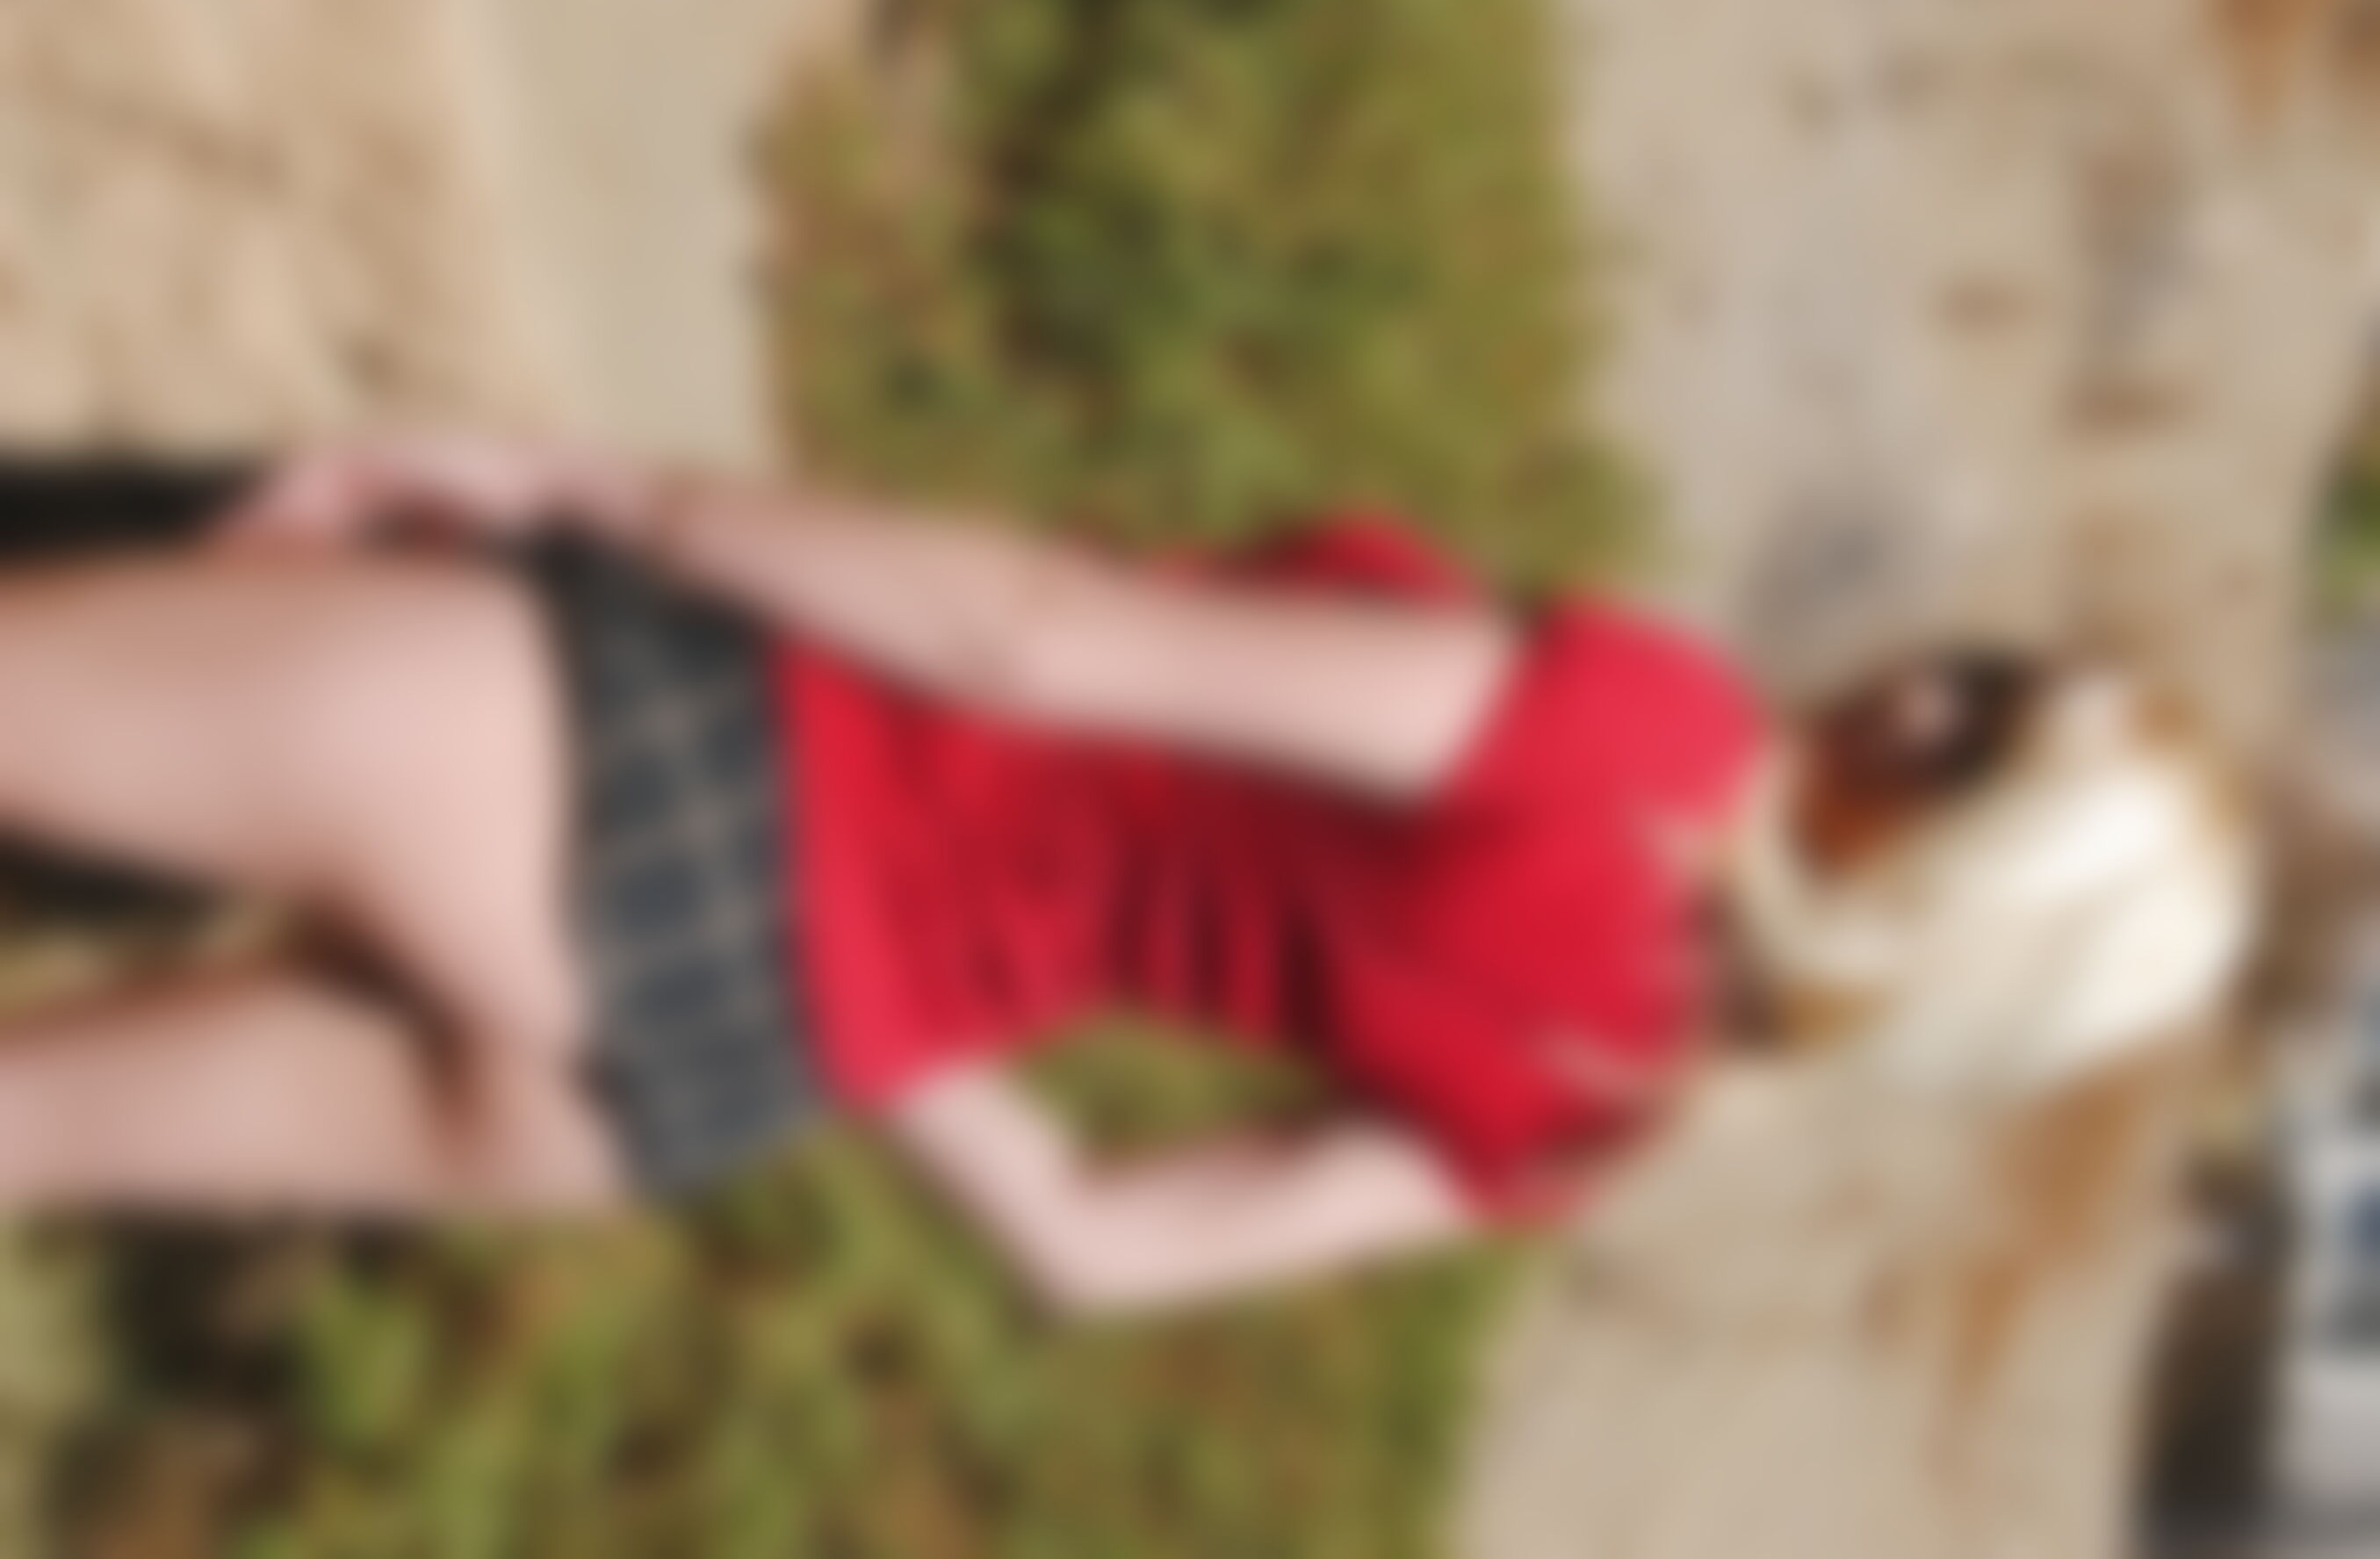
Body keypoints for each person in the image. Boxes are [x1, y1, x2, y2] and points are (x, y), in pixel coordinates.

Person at [0, 438, 1764, 1320]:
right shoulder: (1595, 1124)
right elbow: (1089, 1242)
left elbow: (1044, 644)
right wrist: (847, 993)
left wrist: (606, 488)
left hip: (708, 756)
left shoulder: (1667, 754)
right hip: (715, 1060)